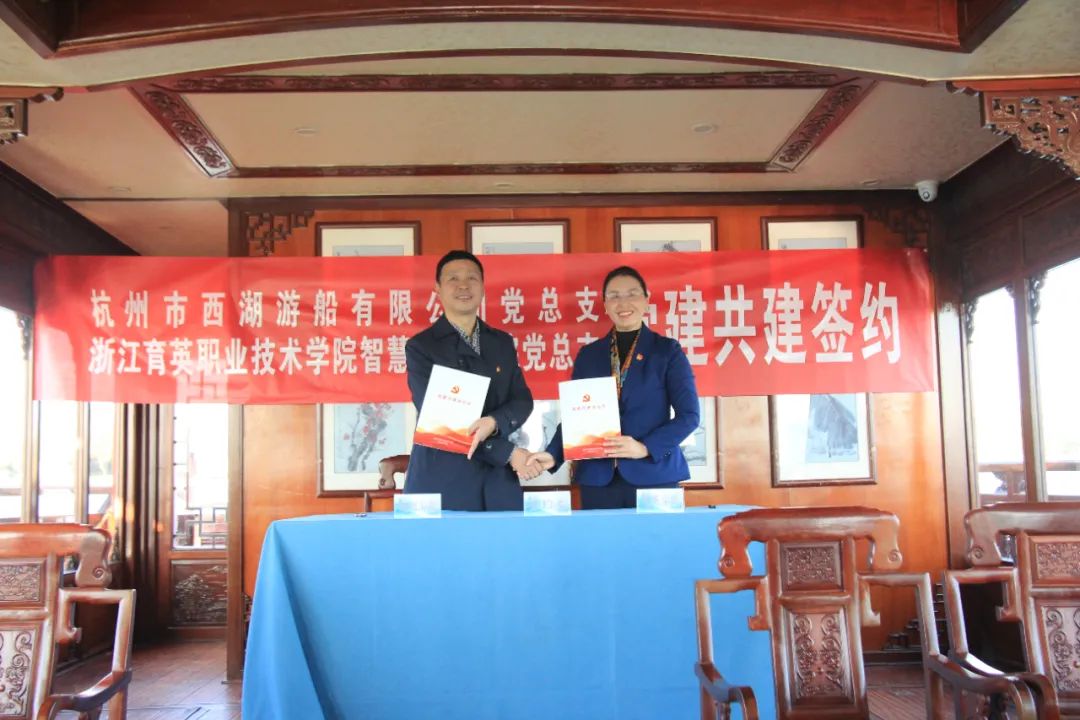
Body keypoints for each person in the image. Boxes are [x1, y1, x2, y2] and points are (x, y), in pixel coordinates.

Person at [530, 265, 700, 509]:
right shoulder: (589, 355)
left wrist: (645, 447)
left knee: (657, 537)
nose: (623, 303)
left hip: (654, 476)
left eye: (632, 294)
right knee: (600, 536)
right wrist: (552, 454)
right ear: (605, 304)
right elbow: (575, 416)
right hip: (598, 479)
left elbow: (689, 416)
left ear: (646, 300)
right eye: (614, 296)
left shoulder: (666, 351)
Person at [404, 249, 542, 511]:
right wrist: (508, 453)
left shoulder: (501, 342)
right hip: (443, 479)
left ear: (483, 287)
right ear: (437, 289)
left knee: (503, 539)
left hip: (497, 481)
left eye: (472, 278)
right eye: (453, 279)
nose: (463, 285)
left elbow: (522, 400)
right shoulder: (422, 347)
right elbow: (442, 421)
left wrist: (494, 421)